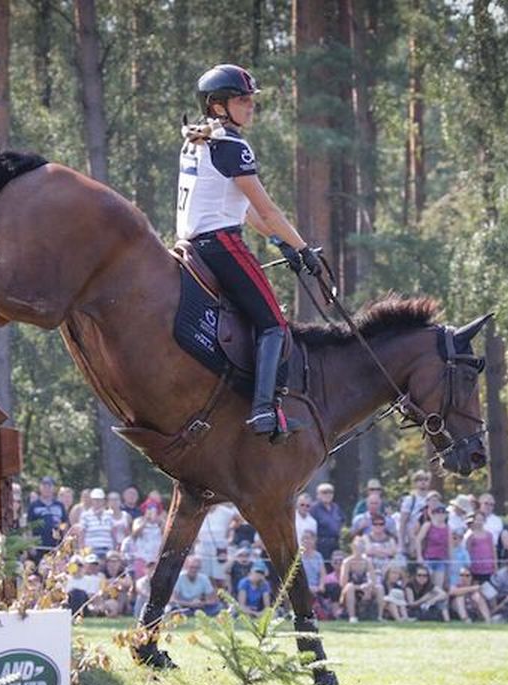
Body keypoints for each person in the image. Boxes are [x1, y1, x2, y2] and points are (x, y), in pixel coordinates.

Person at [178, 63, 321, 440]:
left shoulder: (199, 140)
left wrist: (278, 242)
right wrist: (303, 248)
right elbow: (269, 209)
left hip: (192, 246)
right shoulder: (231, 145)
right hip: (222, 245)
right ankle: (263, 411)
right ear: (217, 105)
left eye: (251, 100)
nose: (251, 106)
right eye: (243, 100)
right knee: (274, 323)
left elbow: (248, 212)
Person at [339, 537, 381, 622]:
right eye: (357, 545)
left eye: (362, 545)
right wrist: (359, 587)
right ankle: (352, 617)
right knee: (350, 587)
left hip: (364, 588)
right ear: (352, 547)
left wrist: (368, 585)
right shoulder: (347, 562)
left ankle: (380, 616)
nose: (359, 548)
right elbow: (343, 583)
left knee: (380, 588)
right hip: (350, 590)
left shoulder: (367, 561)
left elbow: (374, 580)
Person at [196, 501, 237, 589]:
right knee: (204, 575)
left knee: (220, 576)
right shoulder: (200, 510)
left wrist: (229, 529)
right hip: (203, 546)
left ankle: (223, 598)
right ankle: (210, 597)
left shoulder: (225, 511)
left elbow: (238, 520)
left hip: (220, 547)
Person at [26, 476, 67, 554]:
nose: (47, 488)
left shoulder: (60, 505)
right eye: (44, 486)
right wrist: (30, 545)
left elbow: (65, 525)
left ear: (54, 488)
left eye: (49, 486)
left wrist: (64, 544)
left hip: (56, 547)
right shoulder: (34, 506)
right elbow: (29, 528)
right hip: (39, 547)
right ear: (40, 487)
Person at [121, 503, 164, 578]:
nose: (151, 513)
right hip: (142, 558)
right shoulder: (139, 520)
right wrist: (146, 520)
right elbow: (135, 533)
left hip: (155, 558)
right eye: (149, 510)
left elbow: (165, 532)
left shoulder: (160, 523)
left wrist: (160, 521)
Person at [78, 488, 122, 558]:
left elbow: (113, 534)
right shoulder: (85, 515)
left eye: (100, 500)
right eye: (95, 499)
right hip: (91, 550)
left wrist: (114, 549)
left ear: (103, 501)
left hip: (107, 549)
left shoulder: (109, 515)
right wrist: (82, 551)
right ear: (92, 501)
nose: (97, 502)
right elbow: (81, 535)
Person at [417, 504, 452, 589]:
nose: (441, 515)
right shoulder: (428, 525)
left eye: (443, 513)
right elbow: (418, 540)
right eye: (438, 512)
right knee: (426, 584)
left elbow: (449, 545)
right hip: (428, 558)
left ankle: (434, 602)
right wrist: (419, 556)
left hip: (441, 559)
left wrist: (450, 560)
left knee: (438, 586)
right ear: (434, 514)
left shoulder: (448, 528)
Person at [309, 482, 343, 562]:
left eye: (330, 492)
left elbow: (342, 521)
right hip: (321, 544)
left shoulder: (335, 507)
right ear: (318, 495)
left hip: (335, 543)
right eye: (324, 492)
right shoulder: (314, 509)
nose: (328, 494)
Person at [464, 512, 496, 583]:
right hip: (475, 568)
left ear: (484, 521)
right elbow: (467, 552)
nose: (479, 522)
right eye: (477, 519)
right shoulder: (470, 536)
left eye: (481, 519)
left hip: (488, 568)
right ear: (474, 521)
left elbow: (493, 551)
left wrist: (495, 567)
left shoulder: (489, 535)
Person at [99, 551, 134, 618]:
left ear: (120, 563)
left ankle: (119, 611)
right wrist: (113, 583)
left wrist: (118, 582)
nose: (113, 564)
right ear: (107, 563)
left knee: (123, 591)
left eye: (115, 561)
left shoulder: (123, 573)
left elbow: (129, 583)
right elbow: (102, 583)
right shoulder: (103, 572)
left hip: (119, 597)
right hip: (106, 596)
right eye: (111, 561)